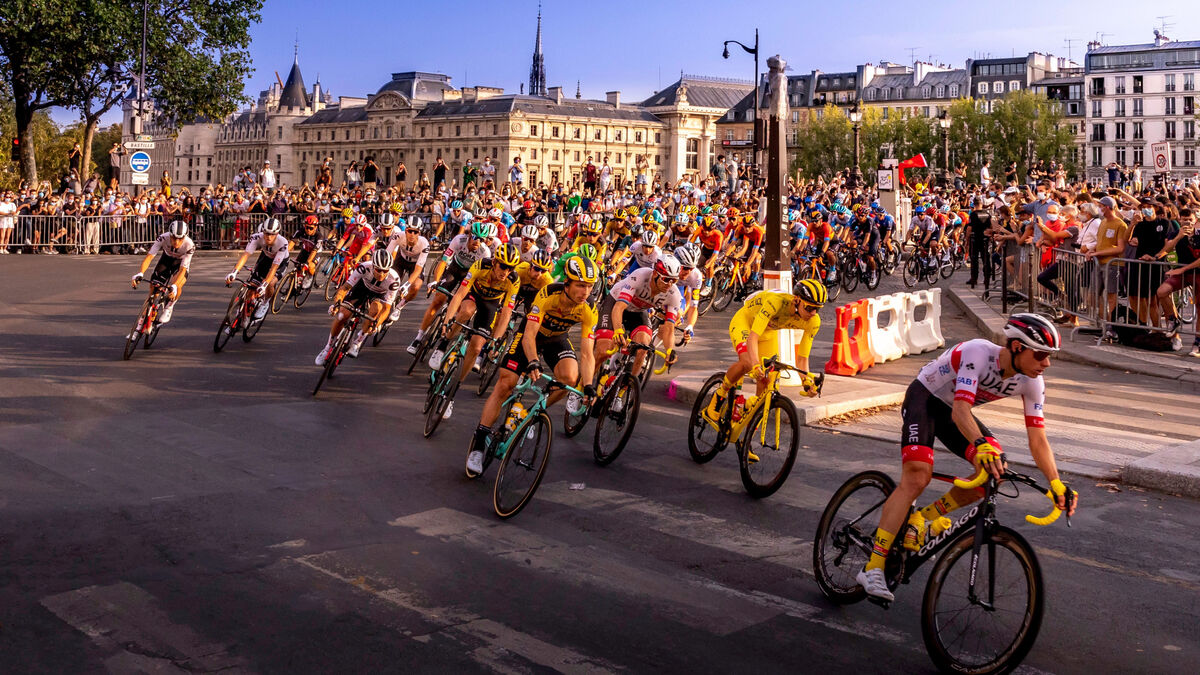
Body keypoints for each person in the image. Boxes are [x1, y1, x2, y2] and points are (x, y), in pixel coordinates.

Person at [855, 314, 1078, 603]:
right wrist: (981, 443)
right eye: (1040, 355)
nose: (1046, 364)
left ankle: (923, 517)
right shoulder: (978, 353)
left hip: (953, 413)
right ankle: (873, 566)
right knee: (918, 476)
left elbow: (1038, 438)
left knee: (995, 469)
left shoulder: (1033, 382)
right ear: (1016, 347)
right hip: (925, 398)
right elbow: (961, 410)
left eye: (1050, 357)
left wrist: (1056, 483)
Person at [466, 255, 601, 476]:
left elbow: (587, 353)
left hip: (556, 338)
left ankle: (530, 415)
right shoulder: (549, 294)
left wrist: (588, 385)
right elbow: (529, 334)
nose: (585, 292)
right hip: (530, 335)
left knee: (570, 379)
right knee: (506, 383)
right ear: (567, 283)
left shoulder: (589, 308)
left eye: (589, 286)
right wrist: (532, 362)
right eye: (580, 285)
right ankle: (479, 442)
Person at [704, 280, 825, 424]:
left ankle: (749, 418)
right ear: (797, 300)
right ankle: (720, 395)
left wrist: (806, 381)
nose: (813, 313)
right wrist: (756, 364)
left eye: (817, 309)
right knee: (748, 364)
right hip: (746, 324)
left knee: (769, 377)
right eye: (810, 307)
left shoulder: (813, 321)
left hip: (768, 333)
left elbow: (802, 358)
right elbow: (752, 337)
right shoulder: (776, 303)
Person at [318, 249, 401, 362]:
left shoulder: (394, 279)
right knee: (342, 315)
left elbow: (387, 308)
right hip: (362, 288)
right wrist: (337, 304)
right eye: (378, 270)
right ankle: (328, 347)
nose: (382, 274)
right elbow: (345, 288)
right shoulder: (364, 267)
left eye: (385, 271)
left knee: (376, 309)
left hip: (378, 294)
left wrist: (377, 324)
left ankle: (358, 341)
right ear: (373, 266)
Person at [224, 218, 290, 323]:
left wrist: (265, 285)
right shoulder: (256, 237)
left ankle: (265, 303)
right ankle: (243, 314)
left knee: (270, 283)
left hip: (280, 262)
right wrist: (234, 272)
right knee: (252, 287)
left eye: (272, 234)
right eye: (266, 233)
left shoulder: (283, 243)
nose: (268, 237)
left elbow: (274, 267)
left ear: (277, 234)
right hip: (266, 257)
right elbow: (245, 255)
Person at [130, 220, 194, 325]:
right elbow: (149, 257)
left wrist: (174, 285)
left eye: (180, 239)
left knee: (176, 286)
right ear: (170, 234)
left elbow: (183, 269)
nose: (176, 242)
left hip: (180, 263)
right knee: (153, 287)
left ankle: (169, 307)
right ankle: (145, 316)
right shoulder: (163, 237)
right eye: (174, 238)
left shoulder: (189, 245)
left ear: (185, 237)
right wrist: (140, 273)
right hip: (166, 260)